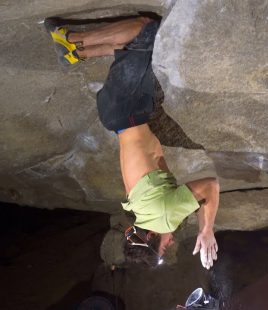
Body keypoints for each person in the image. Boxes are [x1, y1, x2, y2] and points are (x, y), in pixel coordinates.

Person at [45, 16, 220, 269]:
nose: (169, 245)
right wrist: (204, 225)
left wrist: (207, 231)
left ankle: (70, 39)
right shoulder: (140, 214)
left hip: (127, 109)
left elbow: (210, 187)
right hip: (120, 115)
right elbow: (199, 198)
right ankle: (75, 54)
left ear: (151, 238)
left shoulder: (164, 221)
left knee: (146, 29)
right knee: (135, 51)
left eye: (163, 249)